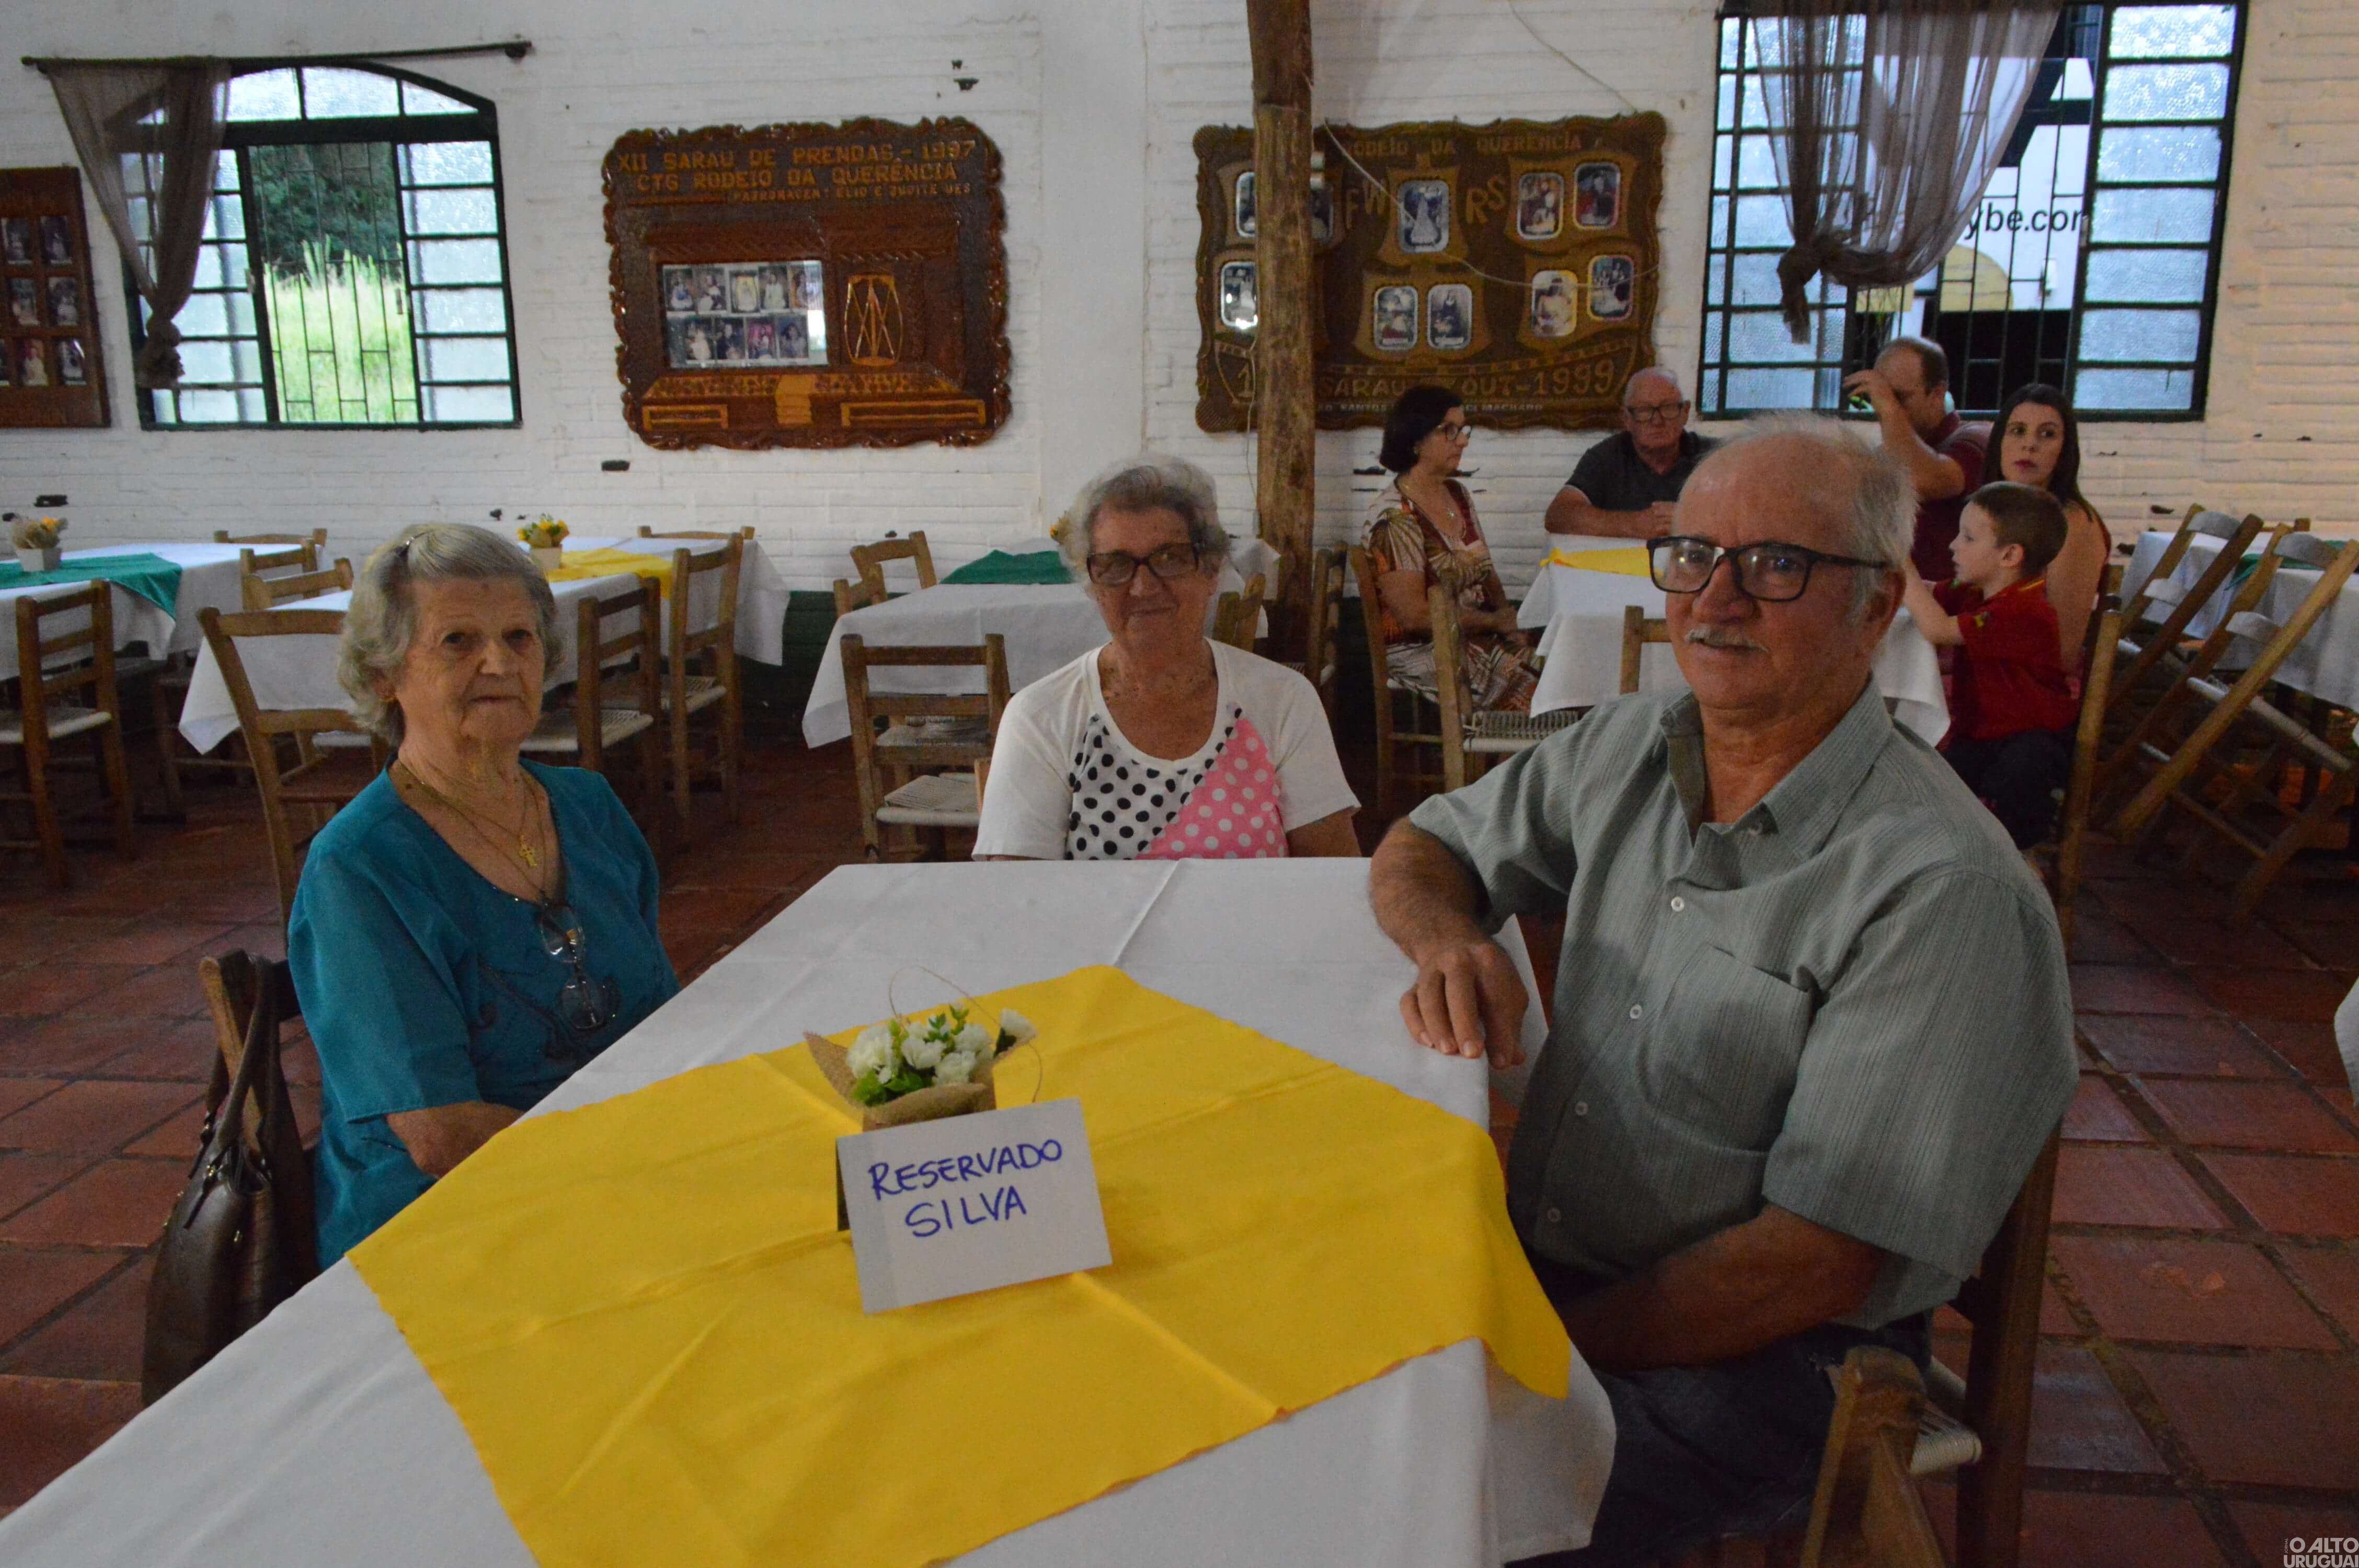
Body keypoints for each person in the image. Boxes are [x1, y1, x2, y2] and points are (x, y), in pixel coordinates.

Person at [1367, 417, 2074, 1566]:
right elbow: (1421, 848)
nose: (1715, 599)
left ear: (1877, 603)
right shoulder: (1632, 747)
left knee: (1414, 1503)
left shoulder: (1942, 891)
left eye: (1777, 564)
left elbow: (1811, 1262)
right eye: (1693, 556)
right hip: (1568, 1261)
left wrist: (1539, 1340)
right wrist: (1449, 937)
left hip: (1777, 1353)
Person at [290, 524, 679, 1265]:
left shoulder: (589, 808)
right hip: (448, 1222)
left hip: (616, 1170)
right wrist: (636, 1166)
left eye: (520, 639)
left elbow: (662, 1012)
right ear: (384, 676)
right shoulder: (361, 868)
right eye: (458, 642)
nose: (498, 663)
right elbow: (440, 1133)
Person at [976, 455, 1359, 861]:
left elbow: (1331, 872)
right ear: (1092, 584)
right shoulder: (1041, 717)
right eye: (1116, 565)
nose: (1143, 587)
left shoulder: (1283, 700)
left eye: (1170, 559)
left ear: (1211, 572)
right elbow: (1017, 896)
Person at [1904, 483, 2078, 849]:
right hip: (1983, 732)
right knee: (1935, 787)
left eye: (1967, 538)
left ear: (2010, 555)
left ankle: (2016, 853)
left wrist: (1902, 567)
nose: (1953, 545)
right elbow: (1930, 592)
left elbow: (1937, 628)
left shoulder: (2023, 610)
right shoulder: (1976, 590)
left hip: (2030, 737)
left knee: (2021, 781)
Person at [1363, 384, 1540, 714]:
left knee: (1554, 663)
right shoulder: (1394, 517)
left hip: (1471, 634)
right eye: (1450, 431)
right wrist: (1493, 623)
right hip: (1424, 649)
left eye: (1463, 430)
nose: (1463, 441)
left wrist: (1510, 622)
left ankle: (1519, 756)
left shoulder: (1458, 493)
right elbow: (1414, 617)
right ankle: (1512, 760)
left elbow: (1487, 572)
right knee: (1540, 684)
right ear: (1416, 440)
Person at [1841, 336, 1989, 582]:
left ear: (1937, 394)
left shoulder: (1974, 438)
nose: (1883, 407)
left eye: (1899, 397)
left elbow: (1923, 478)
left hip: (1951, 609)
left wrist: (1890, 408)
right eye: (1879, 397)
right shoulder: (1884, 455)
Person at [1991, 383, 2112, 663]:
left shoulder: (2072, 524)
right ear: (1999, 442)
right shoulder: (1993, 511)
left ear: (2064, 451)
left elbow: (2063, 652)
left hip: (2036, 687)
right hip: (1990, 665)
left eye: (2047, 434)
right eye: (2018, 431)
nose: (2030, 444)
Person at [1544, 368, 1718, 539]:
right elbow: (1559, 515)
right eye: (1644, 411)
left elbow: (1744, 512)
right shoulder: (1607, 457)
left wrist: (1693, 520)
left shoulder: (1715, 457)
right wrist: (1634, 525)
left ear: (1685, 412)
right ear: (1626, 419)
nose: (1657, 421)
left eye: (1668, 408)